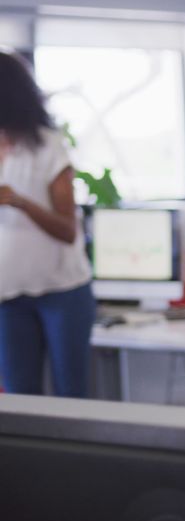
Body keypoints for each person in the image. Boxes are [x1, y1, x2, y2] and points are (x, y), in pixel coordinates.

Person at [0, 51, 95, 398]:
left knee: (71, 396)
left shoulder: (47, 147)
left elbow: (68, 231)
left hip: (61, 293)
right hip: (7, 296)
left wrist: (19, 201)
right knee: (19, 399)